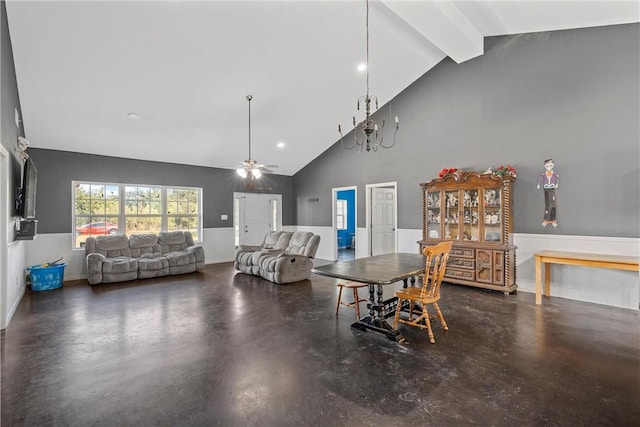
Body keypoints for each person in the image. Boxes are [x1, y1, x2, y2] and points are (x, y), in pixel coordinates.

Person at [536, 159, 559, 227]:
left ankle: (553, 220)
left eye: (551, 165)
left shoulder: (554, 174)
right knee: (547, 204)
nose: (549, 166)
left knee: (553, 204)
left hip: (552, 188)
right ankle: (546, 220)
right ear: (545, 166)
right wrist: (538, 184)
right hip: (546, 188)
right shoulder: (544, 174)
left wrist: (556, 184)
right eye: (547, 165)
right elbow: (539, 179)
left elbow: (557, 178)